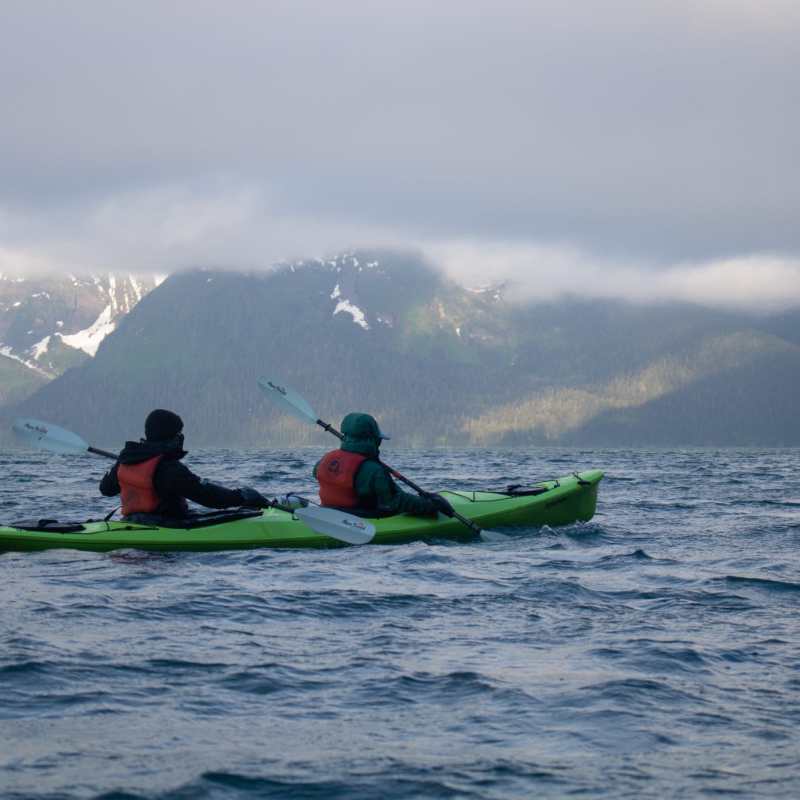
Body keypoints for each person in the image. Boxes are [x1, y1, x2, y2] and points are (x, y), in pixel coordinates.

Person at [100, 409, 270, 519]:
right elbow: (209, 497)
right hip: (167, 526)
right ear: (172, 436)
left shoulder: (126, 459)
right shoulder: (169, 468)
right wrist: (243, 496)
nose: (181, 437)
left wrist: (119, 465)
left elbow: (106, 489)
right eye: (178, 433)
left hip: (133, 522)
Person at [313, 412, 454, 517]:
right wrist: (431, 506)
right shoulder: (374, 470)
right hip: (359, 518)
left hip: (328, 511)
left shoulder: (325, 459)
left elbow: (316, 473)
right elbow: (395, 501)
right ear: (373, 440)